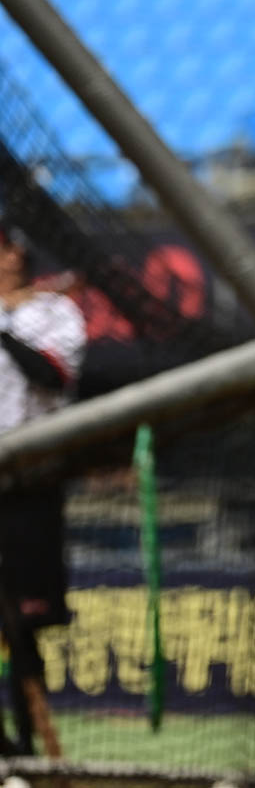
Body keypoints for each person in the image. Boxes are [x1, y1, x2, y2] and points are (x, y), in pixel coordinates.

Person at [0, 225, 86, 754]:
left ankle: (31, 743)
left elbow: (52, 374)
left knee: (24, 621)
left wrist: (4, 328)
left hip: (30, 478)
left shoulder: (54, 313)